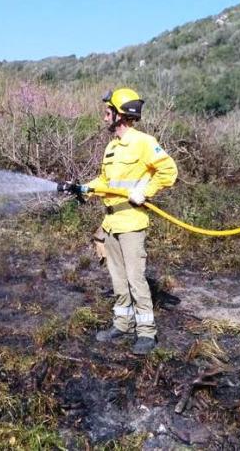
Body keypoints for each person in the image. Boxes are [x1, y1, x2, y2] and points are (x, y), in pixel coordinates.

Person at [75, 88, 177, 355]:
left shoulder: (143, 142)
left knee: (135, 279)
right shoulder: (111, 147)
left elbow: (169, 171)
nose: (104, 117)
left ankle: (146, 333)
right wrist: (85, 189)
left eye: (108, 112)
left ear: (120, 115)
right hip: (111, 222)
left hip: (132, 223)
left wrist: (145, 191)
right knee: (118, 279)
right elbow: (105, 182)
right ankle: (122, 324)